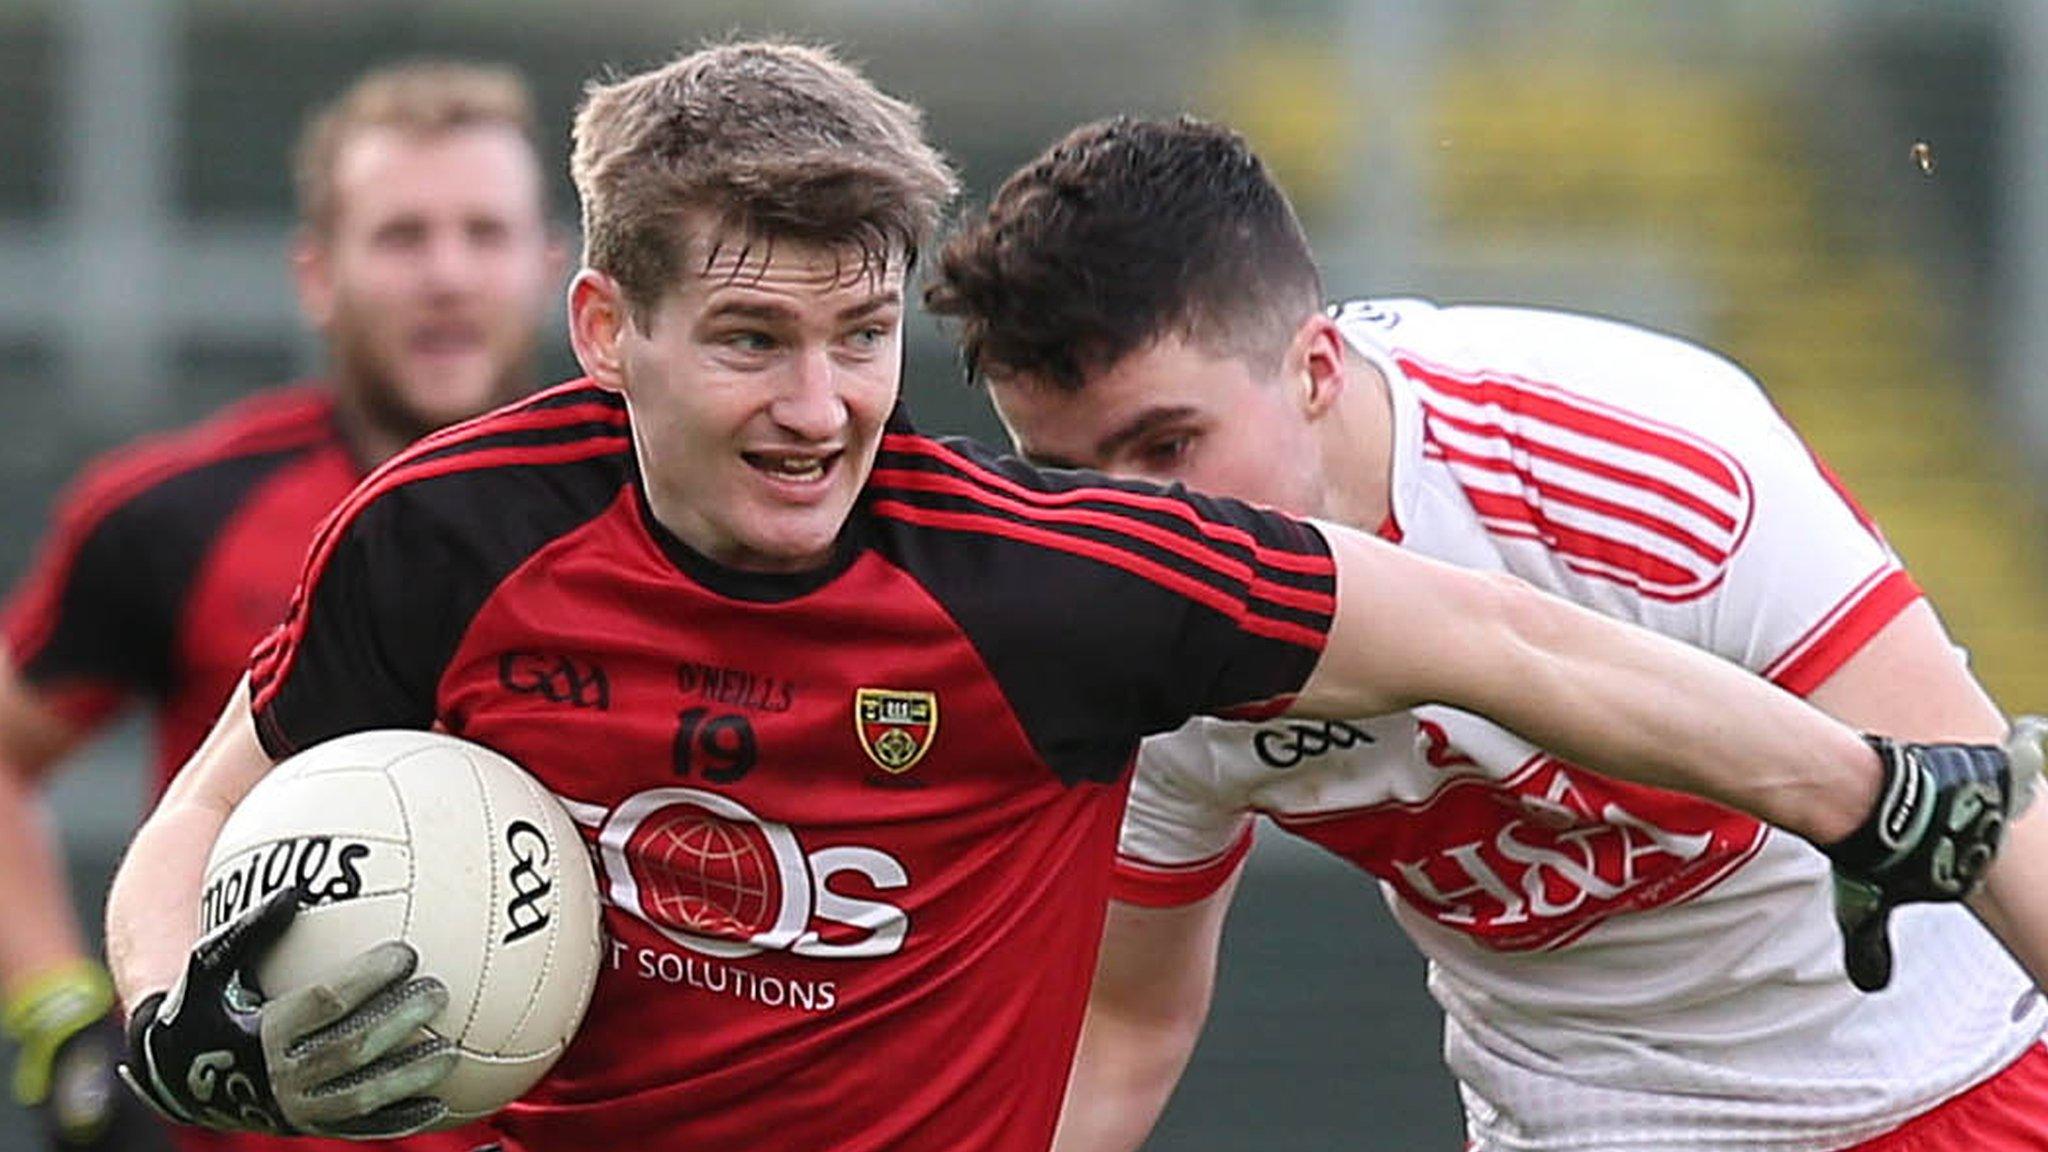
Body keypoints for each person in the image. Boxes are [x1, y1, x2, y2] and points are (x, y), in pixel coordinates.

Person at [99, 41, 2033, 1152]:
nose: (817, 404)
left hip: (1922, 1069)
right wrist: (168, 1003)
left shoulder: (1083, 592)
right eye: (753, 338)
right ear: (605, 327)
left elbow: (1518, 641)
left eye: (859, 337)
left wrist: (1868, 793)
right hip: (1578, 1104)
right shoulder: (442, 535)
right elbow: (196, 814)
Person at [922, 113, 2048, 1151]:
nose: (1133, 525)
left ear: (1312, 369)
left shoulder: (1637, 460)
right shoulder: (1116, 631)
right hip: (1585, 1116)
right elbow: (1125, 1024)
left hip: (1933, 1075)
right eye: (1068, 475)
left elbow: (1976, 806)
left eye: (1167, 446)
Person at [0, 60, 564, 1152]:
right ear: (316, 272)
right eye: (402, 236)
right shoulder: (171, 512)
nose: (446, 275)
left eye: (484, 235)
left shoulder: (663, 521)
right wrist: (61, 1016)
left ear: (550, 266)